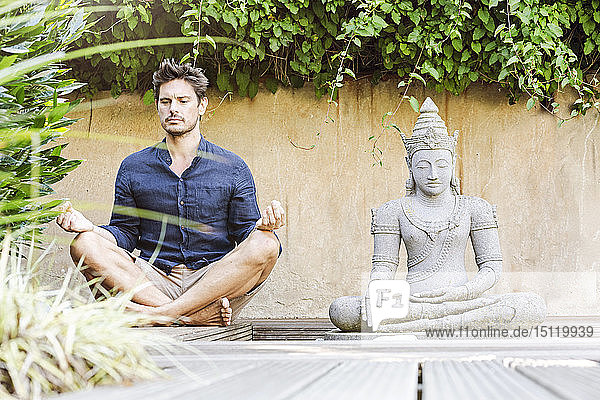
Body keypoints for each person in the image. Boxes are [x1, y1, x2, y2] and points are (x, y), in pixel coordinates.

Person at [57, 59, 284, 326]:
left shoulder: (232, 167)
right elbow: (126, 233)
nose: (173, 109)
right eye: (165, 102)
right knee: (83, 243)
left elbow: (246, 236)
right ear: (158, 107)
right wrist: (91, 229)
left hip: (212, 283)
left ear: (202, 105)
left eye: (183, 101)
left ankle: (156, 316)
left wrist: (264, 227)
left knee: (267, 244)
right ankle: (186, 316)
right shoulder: (134, 167)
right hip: (152, 281)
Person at [329, 97, 545, 332]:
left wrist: (463, 292)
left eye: (442, 165)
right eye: (423, 166)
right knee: (343, 311)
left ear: (453, 164)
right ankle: (447, 325)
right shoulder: (392, 211)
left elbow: (492, 268)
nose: (433, 174)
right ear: (410, 166)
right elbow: (384, 267)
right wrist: (375, 295)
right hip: (411, 302)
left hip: (463, 300)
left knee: (531, 305)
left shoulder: (475, 208)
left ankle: (422, 325)